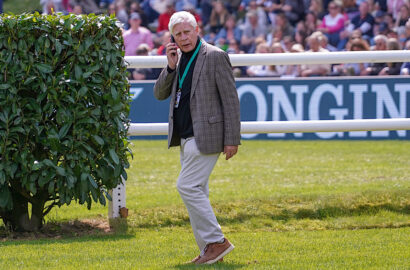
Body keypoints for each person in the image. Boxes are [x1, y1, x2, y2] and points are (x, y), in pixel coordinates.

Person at [153, 11, 240, 265]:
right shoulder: (177, 59)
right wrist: (169, 66)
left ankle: (217, 241)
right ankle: (209, 252)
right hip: (184, 137)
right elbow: (159, 94)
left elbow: (230, 100)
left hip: (207, 135)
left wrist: (232, 138)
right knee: (198, 190)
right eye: (177, 34)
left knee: (186, 186)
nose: (183, 37)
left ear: (197, 30)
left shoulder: (215, 55)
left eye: (186, 32)